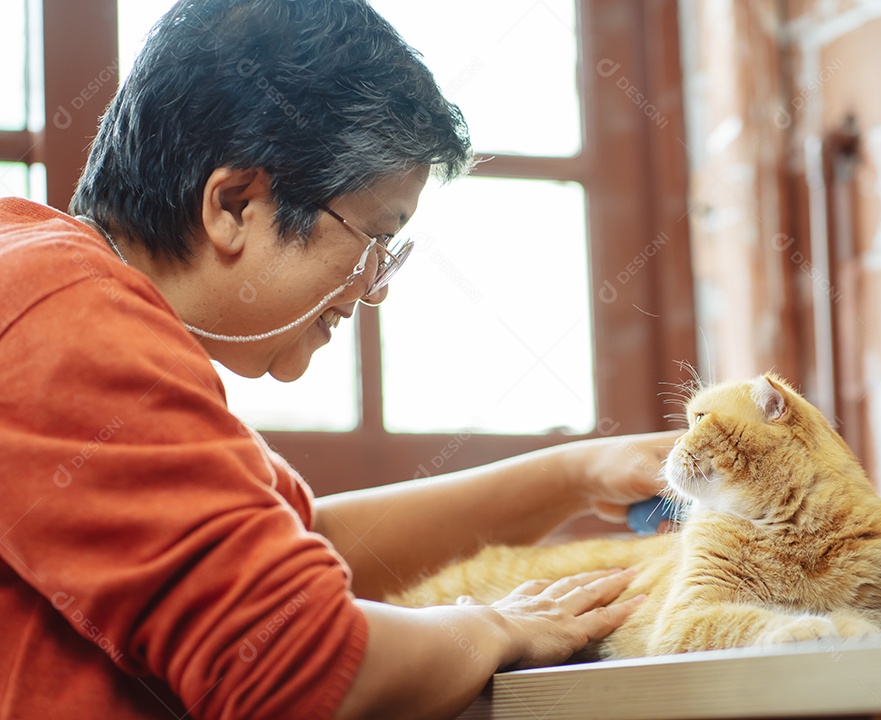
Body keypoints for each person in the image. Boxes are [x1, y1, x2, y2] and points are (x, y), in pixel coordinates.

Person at [0, 1, 677, 717]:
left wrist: (577, 475)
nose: (371, 290)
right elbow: (298, 664)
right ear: (234, 205)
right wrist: (497, 627)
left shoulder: (54, 287)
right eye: (374, 240)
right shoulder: (59, 313)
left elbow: (300, 547)